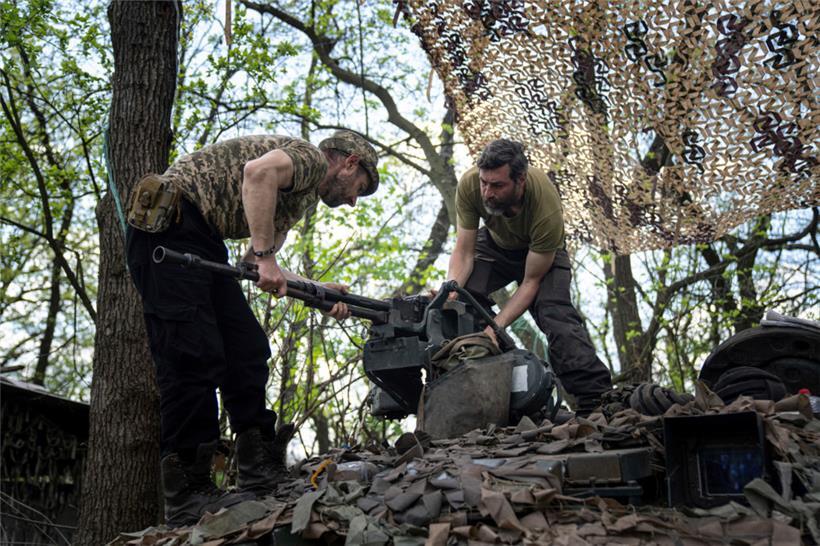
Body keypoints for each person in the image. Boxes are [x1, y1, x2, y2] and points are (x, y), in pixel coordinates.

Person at [125, 131, 379, 526]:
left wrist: (318, 293)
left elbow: (256, 266)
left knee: (246, 349)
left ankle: (258, 469)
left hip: (204, 243)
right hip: (168, 228)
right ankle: (187, 493)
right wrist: (265, 257)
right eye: (358, 189)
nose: (351, 200)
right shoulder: (310, 160)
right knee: (192, 356)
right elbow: (257, 173)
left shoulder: (297, 199)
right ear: (348, 163)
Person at [445, 138, 612, 414]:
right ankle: (479, 397)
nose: (487, 192)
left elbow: (530, 282)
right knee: (460, 304)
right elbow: (463, 253)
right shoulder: (470, 186)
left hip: (541, 254)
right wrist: (449, 291)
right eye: (484, 183)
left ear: (520, 180)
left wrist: (495, 328)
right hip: (496, 245)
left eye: (497, 186)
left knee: (555, 315)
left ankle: (597, 399)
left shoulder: (546, 209)